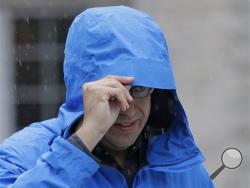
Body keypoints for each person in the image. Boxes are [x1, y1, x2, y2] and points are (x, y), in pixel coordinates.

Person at [0, 6, 214, 188]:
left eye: (138, 90)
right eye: (112, 93)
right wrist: (85, 140)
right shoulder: (23, 154)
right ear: (82, 91)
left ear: (156, 92)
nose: (127, 108)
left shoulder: (181, 166)